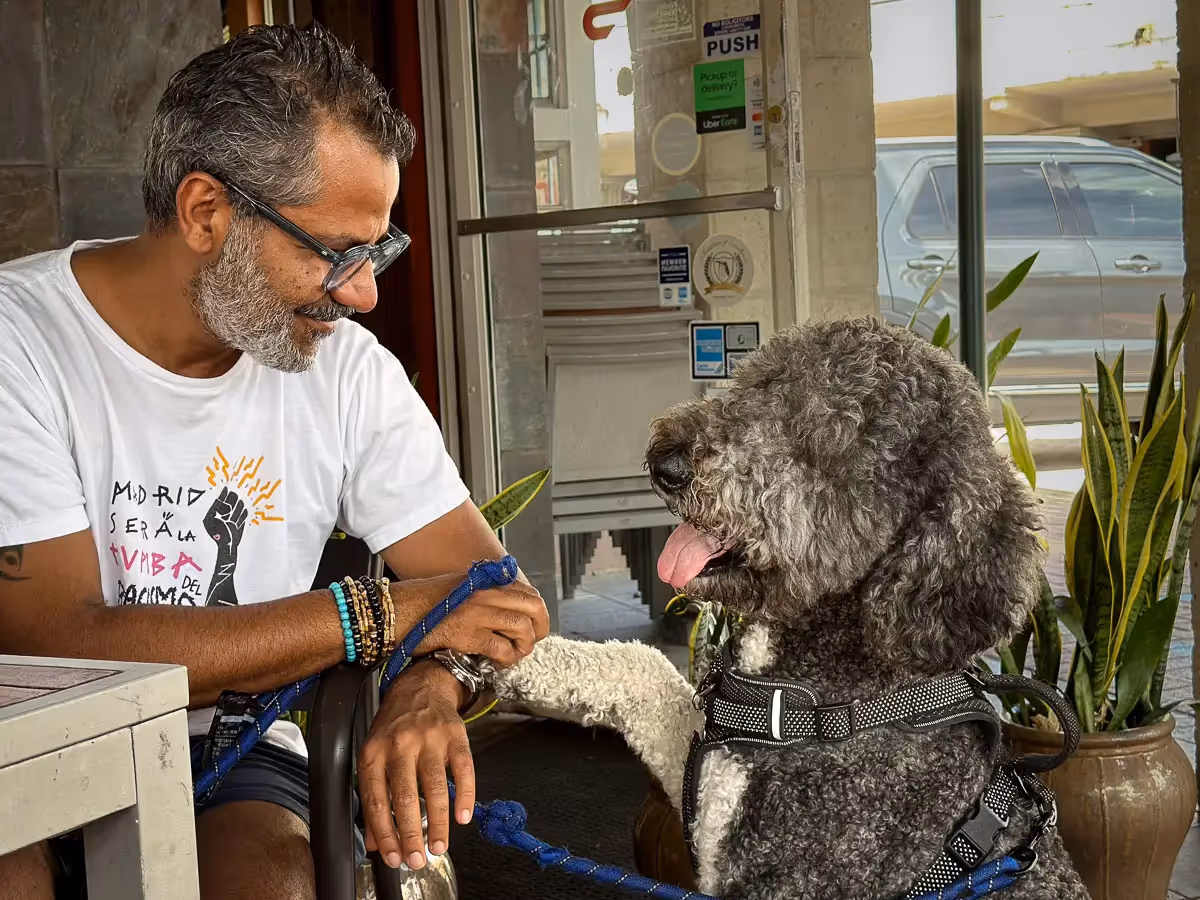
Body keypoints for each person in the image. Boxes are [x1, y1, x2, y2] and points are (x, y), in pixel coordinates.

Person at [0, 22, 549, 900]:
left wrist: (431, 688)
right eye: (334, 253)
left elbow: (499, 596)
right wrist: (372, 617)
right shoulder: (18, 342)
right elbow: (61, 643)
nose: (364, 293)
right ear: (205, 212)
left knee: (272, 883)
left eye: (378, 250)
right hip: (31, 739)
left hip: (233, 744)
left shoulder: (347, 372)